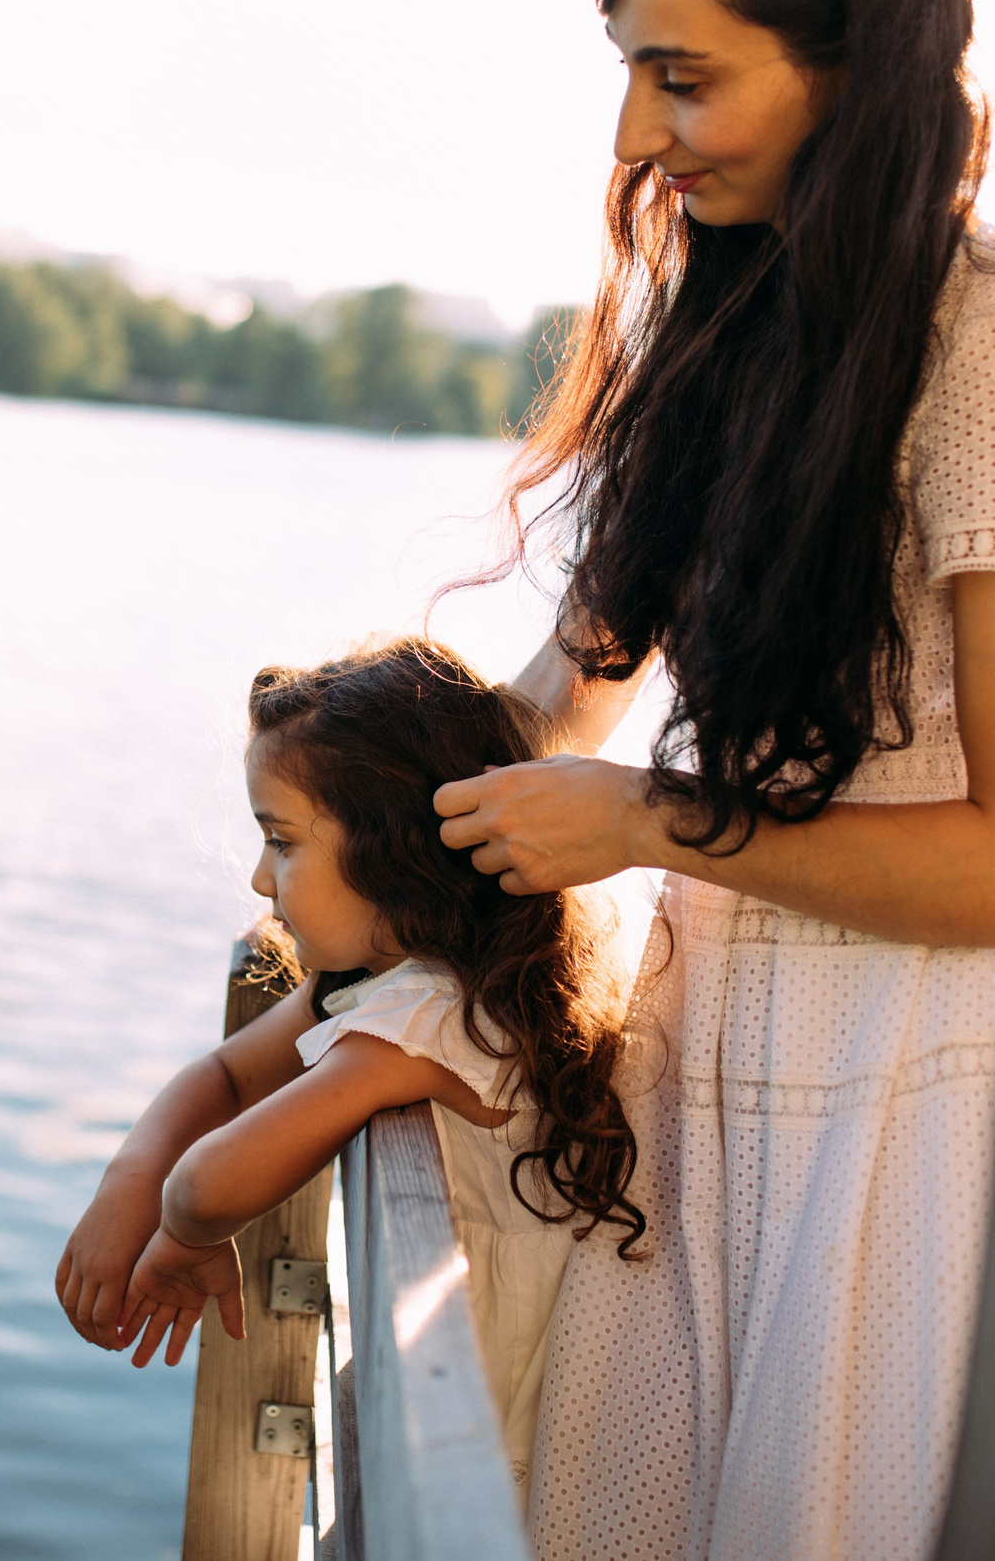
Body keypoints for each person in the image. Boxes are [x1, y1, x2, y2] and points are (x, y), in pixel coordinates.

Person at [431, 0, 995, 1555]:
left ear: (857, 61)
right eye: (630, 70)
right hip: (691, 1082)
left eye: (685, 76)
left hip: (903, 1117)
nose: (634, 136)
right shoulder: (728, 330)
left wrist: (650, 821)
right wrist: (351, 821)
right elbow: (560, 703)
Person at [54, 638, 642, 1493]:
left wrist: (183, 1235)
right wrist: (130, 1177)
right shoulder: (386, 976)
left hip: (494, 1425)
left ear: (393, 854)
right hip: (449, 1378)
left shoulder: (428, 1017)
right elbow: (224, 1078)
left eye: (281, 841)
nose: (260, 880)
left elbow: (211, 1183)